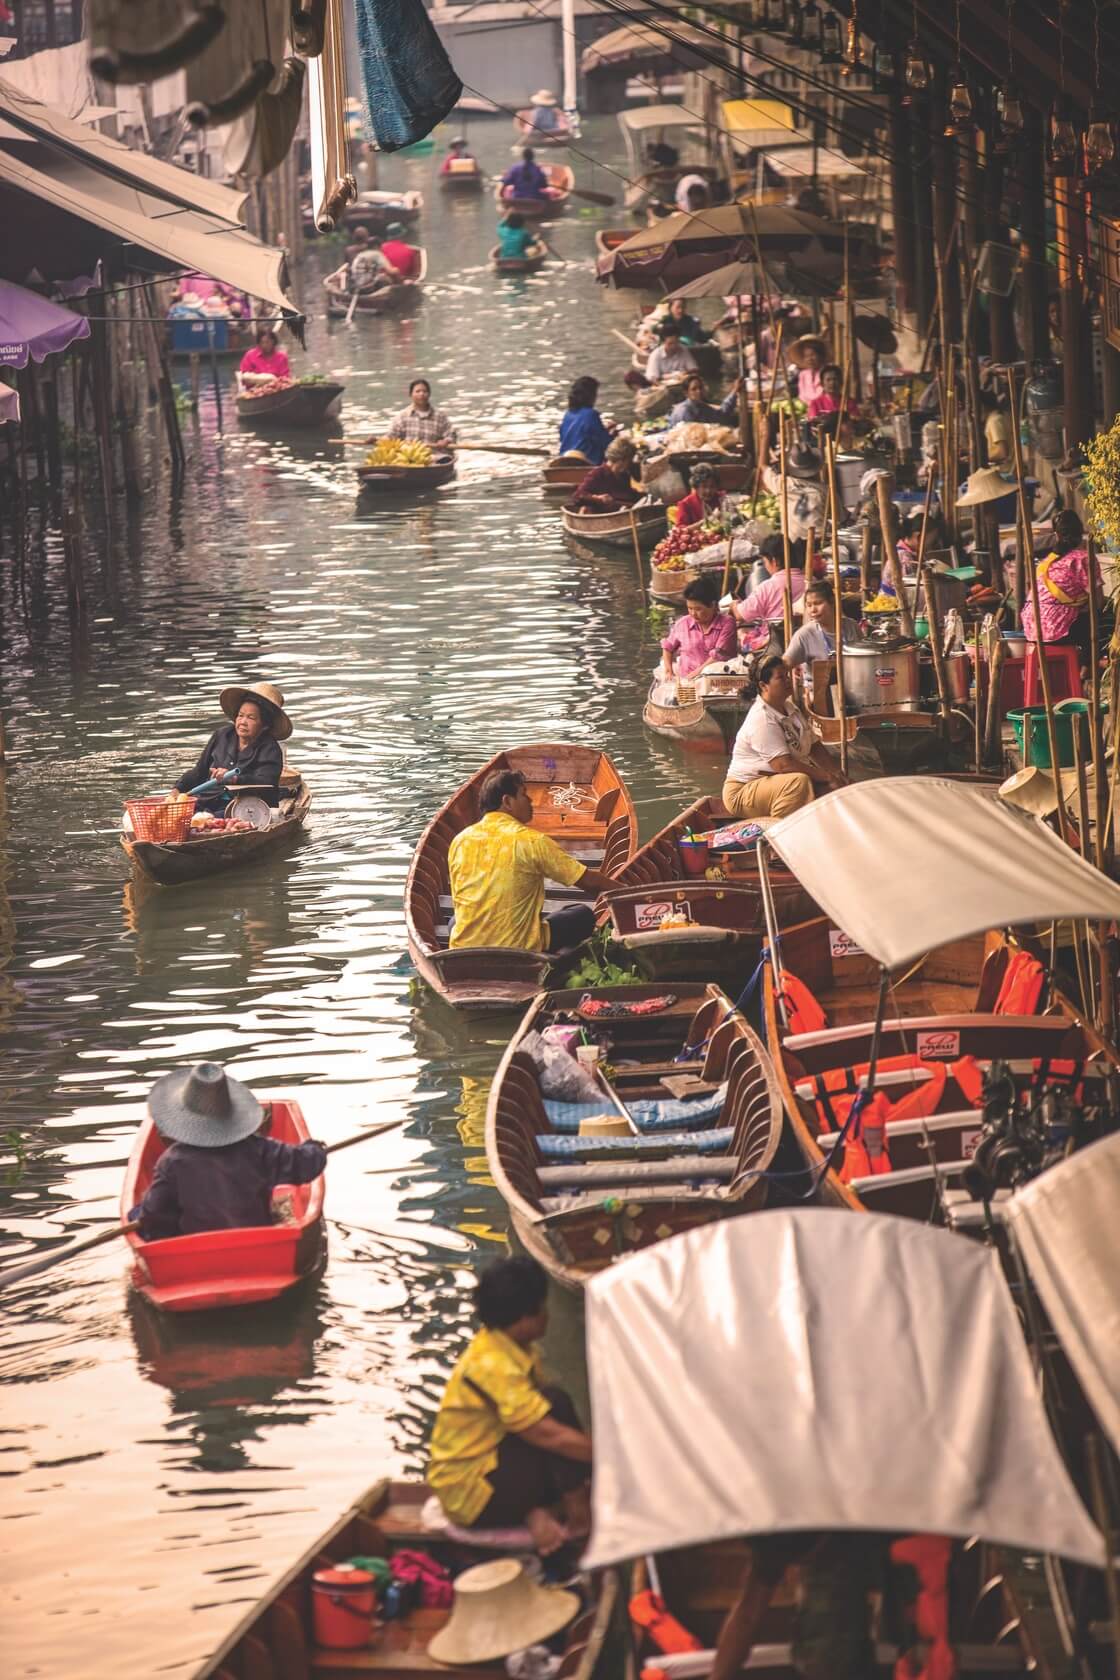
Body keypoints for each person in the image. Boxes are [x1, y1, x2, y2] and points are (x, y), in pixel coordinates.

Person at [427, 1256, 592, 1555]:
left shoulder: (508, 1347)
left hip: (490, 1467)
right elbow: (546, 1435)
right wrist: (613, 1458)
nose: (547, 1315)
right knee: (556, 1415)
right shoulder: (493, 1364)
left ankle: (545, 1509)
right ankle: (579, 1519)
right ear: (525, 1318)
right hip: (469, 1497)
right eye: (542, 1307)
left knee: (554, 1400)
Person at [127, 1062, 326, 1241]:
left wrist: (138, 1216)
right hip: (257, 1243)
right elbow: (306, 1164)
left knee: (137, 1213)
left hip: (197, 1249)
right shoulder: (258, 1148)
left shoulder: (172, 1161)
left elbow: (154, 1218)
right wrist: (315, 1148)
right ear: (230, 1116)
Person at [447, 767, 618, 954]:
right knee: (583, 916)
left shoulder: (459, 841)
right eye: (524, 795)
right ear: (507, 801)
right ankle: (555, 960)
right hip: (519, 948)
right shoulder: (531, 840)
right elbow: (589, 882)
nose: (530, 801)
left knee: (454, 921)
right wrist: (625, 889)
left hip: (464, 948)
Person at [723, 655, 845, 818]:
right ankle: (778, 834)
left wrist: (838, 774)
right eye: (781, 677)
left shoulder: (789, 707)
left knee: (837, 789)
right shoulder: (762, 718)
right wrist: (827, 776)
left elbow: (815, 747)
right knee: (798, 782)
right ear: (763, 685)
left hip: (775, 782)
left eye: (787, 675)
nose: (788, 681)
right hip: (742, 791)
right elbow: (783, 765)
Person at [172, 681, 290, 811]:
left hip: (246, 808)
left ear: (264, 725)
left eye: (251, 718)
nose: (243, 722)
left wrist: (234, 778)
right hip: (209, 800)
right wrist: (178, 788)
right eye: (240, 715)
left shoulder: (270, 749)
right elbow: (200, 771)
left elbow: (266, 783)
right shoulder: (222, 735)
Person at [1020, 508, 1100, 658]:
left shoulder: (1045, 562)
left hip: (1031, 628)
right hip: (1057, 631)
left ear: (1056, 535)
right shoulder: (1084, 559)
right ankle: (1086, 668)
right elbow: (1098, 602)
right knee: (1099, 619)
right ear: (1081, 532)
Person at [783, 581, 865, 685]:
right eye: (809, 605)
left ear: (832, 602)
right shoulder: (804, 634)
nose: (813, 610)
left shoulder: (851, 627)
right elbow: (785, 663)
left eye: (818, 603)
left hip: (853, 686)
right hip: (818, 694)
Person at [660, 574, 737, 681]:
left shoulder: (727, 623)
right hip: (686, 683)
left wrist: (691, 678)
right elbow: (667, 647)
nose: (693, 613)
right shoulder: (683, 623)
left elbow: (718, 657)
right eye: (689, 608)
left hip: (717, 682)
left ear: (713, 605)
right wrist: (669, 671)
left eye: (698, 609)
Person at [733, 535, 806, 638]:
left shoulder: (768, 587)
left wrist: (734, 605)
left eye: (765, 562)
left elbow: (740, 615)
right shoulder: (811, 581)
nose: (766, 566)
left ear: (774, 561)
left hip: (777, 641)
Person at [566, 437, 641, 512]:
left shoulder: (623, 475)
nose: (629, 464)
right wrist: (598, 498)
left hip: (622, 512)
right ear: (622, 460)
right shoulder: (598, 474)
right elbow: (576, 497)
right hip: (605, 516)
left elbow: (629, 495)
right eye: (629, 460)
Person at [559, 376, 612, 464]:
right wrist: (613, 436)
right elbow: (605, 443)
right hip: (586, 462)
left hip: (564, 461)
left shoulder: (567, 415)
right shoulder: (591, 414)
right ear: (591, 395)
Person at [386, 378, 457, 445]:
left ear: (429, 394)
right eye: (417, 391)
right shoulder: (402, 417)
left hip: (437, 455)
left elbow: (451, 434)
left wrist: (446, 441)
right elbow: (391, 437)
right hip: (410, 454)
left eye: (425, 391)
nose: (421, 394)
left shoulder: (440, 416)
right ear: (411, 394)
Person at [666, 373, 740, 428]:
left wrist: (734, 391)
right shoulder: (683, 412)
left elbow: (721, 414)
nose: (699, 391)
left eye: (700, 388)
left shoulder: (702, 407)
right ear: (686, 393)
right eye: (694, 389)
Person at [673, 462, 724, 528]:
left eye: (712, 486)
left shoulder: (722, 498)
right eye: (704, 486)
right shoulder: (685, 504)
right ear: (696, 486)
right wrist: (709, 520)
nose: (708, 491)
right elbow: (680, 531)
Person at [792, 335, 827, 406]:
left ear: (820, 355)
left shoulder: (827, 372)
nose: (809, 359)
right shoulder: (803, 374)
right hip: (806, 407)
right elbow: (801, 395)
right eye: (806, 356)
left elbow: (822, 395)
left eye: (812, 355)